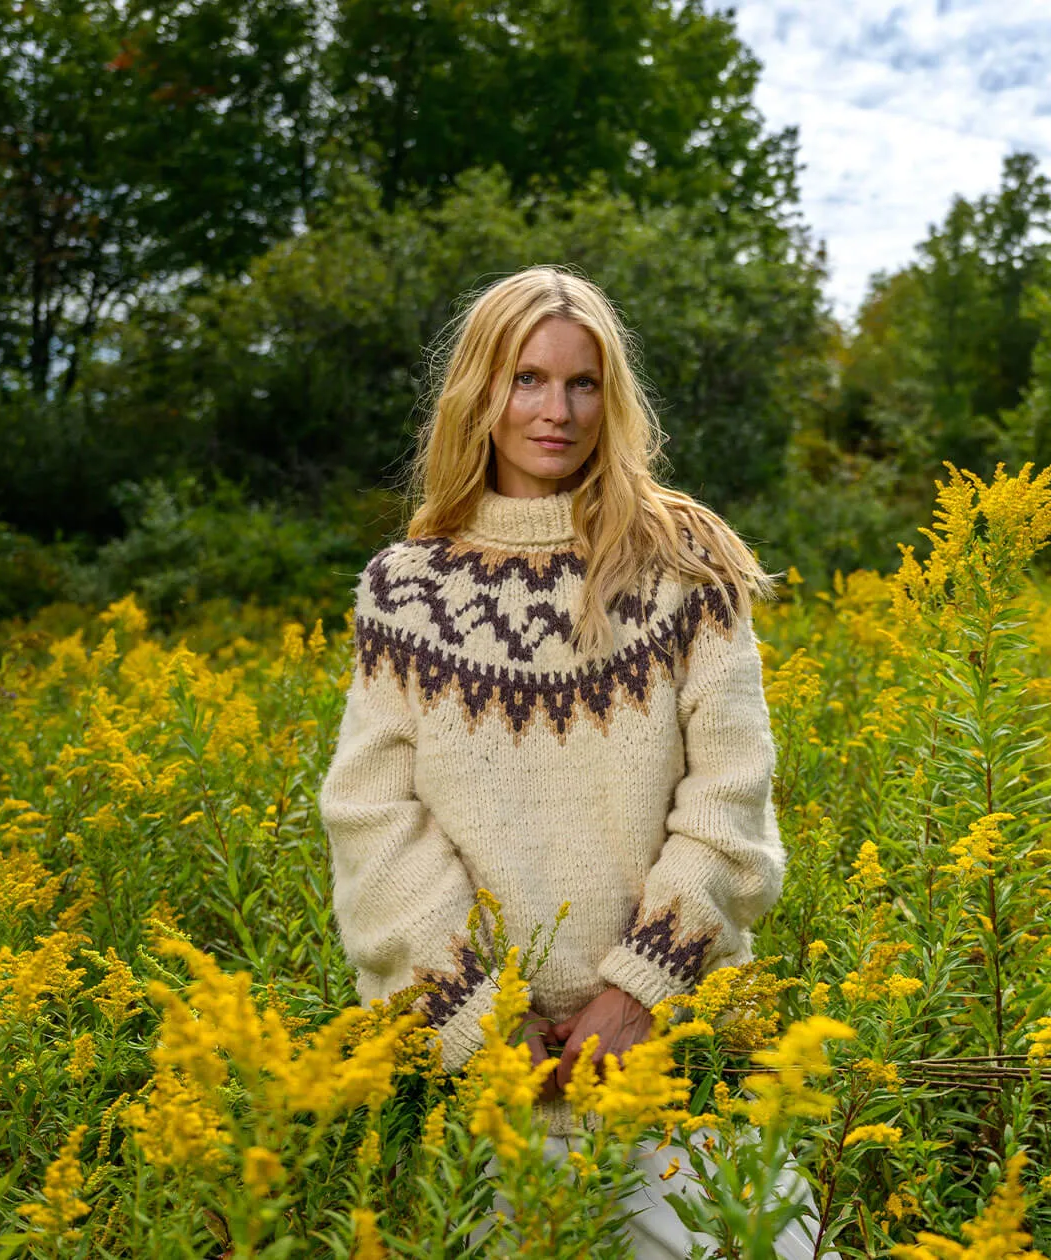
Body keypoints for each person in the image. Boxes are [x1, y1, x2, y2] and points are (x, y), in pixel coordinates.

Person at [319, 264, 821, 1256]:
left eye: (583, 383)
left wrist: (638, 989)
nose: (557, 411)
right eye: (528, 380)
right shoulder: (405, 589)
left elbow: (730, 799)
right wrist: (479, 1019)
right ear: (480, 392)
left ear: (613, 396)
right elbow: (375, 823)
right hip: (487, 1094)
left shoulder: (684, 565)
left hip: (674, 1066)